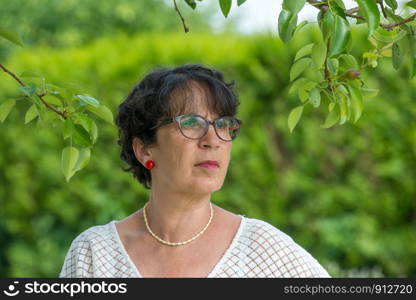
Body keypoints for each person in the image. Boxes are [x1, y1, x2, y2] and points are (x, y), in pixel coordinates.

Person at [59, 64, 330, 278]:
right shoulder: (95, 254)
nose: (212, 139)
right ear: (145, 150)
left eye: (223, 124)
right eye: (190, 122)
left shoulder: (264, 250)